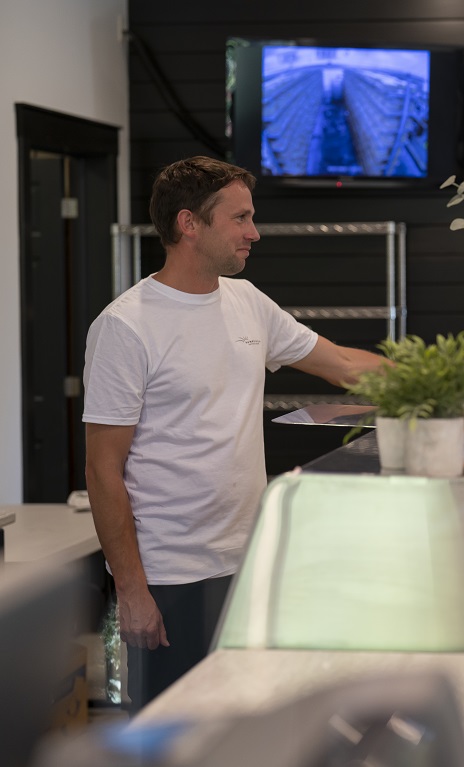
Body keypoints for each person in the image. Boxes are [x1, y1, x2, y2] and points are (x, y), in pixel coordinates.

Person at [82, 156, 389, 711]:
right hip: (169, 576)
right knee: (174, 735)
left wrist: (453, 378)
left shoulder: (247, 302)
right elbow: (103, 468)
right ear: (189, 224)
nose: (255, 232)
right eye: (240, 219)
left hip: (247, 561)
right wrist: (131, 590)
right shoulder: (125, 327)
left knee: (243, 726)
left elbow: (342, 364)